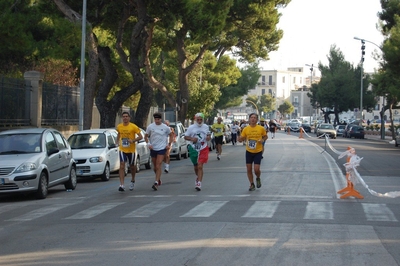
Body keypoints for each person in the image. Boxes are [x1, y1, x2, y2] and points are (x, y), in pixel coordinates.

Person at [238, 113, 268, 191]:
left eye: (254, 118)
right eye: (251, 117)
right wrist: (240, 139)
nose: (253, 119)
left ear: (257, 119)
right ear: (249, 119)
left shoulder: (261, 128)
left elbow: (265, 136)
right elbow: (242, 138)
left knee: (256, 169)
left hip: (258, 151)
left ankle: (258, 177)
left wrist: (263, 140)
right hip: (249, 151)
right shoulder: (246, 129)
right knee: (248, 169)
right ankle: (251, 184)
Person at [145, 113, 174, 191]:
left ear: (161, 119)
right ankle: (158, 178)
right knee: (155, 167)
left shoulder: (165, 127)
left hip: (162, 148)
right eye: (155, 119)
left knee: (158, 165)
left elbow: (171, 135)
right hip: (153, 148)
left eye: (158, 119)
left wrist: (169, 144)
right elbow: (146, 136)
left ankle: (156, 183)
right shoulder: (150, 126)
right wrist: (148, 144)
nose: (157, 121)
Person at [116, 111, 143, 192]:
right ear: (122, 118)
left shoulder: (133, 126)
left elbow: (140, 136)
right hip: (122, 149)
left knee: (132, 166)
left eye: (126, 116)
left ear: (129, 118)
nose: (125, 118)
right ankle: (122, 184)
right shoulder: (119, 126)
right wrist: (117, 141)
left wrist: (133, 140)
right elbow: (118, 134)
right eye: (123, 116)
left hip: (131, 150)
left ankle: (133, 179)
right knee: (122, 165)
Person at [184, 113, 211, 191]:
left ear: (203, 119)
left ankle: (199, 183)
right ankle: (198, 177)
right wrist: (192, 139)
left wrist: (208, 137)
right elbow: (186, 136)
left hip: (203, 147)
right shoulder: (191, 127)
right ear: (195, 119)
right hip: (193, 148)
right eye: (198, 119)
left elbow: (208, 135)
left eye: (201, 119)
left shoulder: (206, 127)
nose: (199, 121)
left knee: (200, 166)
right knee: (196, 166)